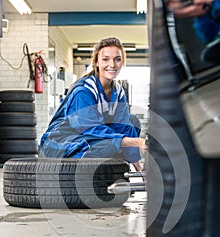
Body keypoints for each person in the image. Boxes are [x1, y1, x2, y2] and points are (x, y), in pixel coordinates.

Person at [40, 37, 147, 171]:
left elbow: (123, 127)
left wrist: (139, 169)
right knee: (106, 147)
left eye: (117, 59)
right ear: (96, 62)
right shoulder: (83, 91)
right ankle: (78, 178)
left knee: (132, 122)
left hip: (87, 138)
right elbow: (91, 129)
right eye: (105, 59)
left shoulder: (118, 91)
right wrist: (137, 142)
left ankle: (112, 171)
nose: (112, 65)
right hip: (60, 142)